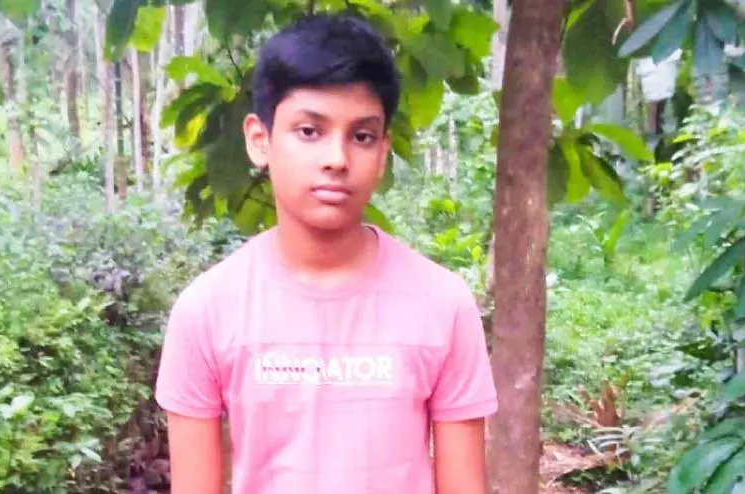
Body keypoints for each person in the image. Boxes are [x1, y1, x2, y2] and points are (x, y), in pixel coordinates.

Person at [154, 12, 498, 494]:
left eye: (361, 136)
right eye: (309, 131)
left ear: (382, 152)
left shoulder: (442, 304)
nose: (337, 158)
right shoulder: (206, 311)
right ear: (259, 140)